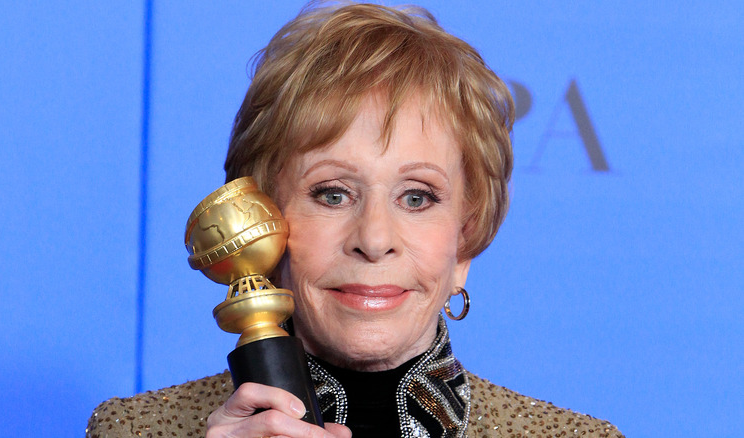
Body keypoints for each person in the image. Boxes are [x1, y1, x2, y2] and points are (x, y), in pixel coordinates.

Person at [86, 3, 624, 437]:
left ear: (464, 243)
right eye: (332, 193)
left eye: (417, 198)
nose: (373, 240)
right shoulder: (136, 430)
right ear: (267, 223)